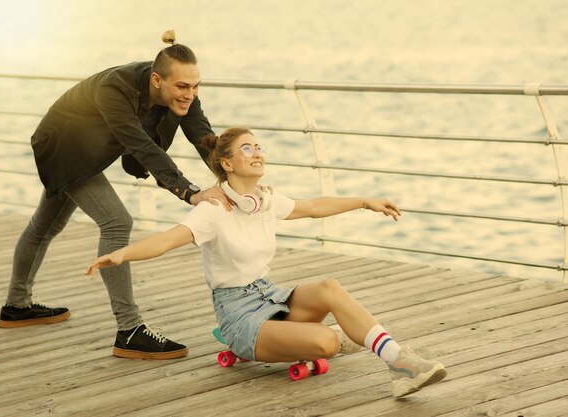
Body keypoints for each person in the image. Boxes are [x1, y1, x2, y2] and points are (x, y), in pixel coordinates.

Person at [85, 126, 448, 397]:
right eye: (247, 148)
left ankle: (400, 364)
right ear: (227, 163)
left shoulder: (264, 200)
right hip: (238, 316)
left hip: (270, 296)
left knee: (329, 288)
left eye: (259, 146)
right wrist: (121, 253)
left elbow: (313, 208)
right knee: (324, 342)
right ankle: (346, 338)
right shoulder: (213, 210)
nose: (257, 152)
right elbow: (167, 240)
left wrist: (365, 201)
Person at [0, 30, 231, 360]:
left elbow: (203, 137)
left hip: (90, 149)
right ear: (156, 80)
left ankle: (16, 306)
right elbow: (139, 143)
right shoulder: (115, 88)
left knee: (44, 226)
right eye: (182, 87)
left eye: (195, 86)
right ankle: (129, 329)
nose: (190, 94)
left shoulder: (182, 93)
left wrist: (232, 177)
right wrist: (190, 192)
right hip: (62, 148)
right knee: (116, 222)